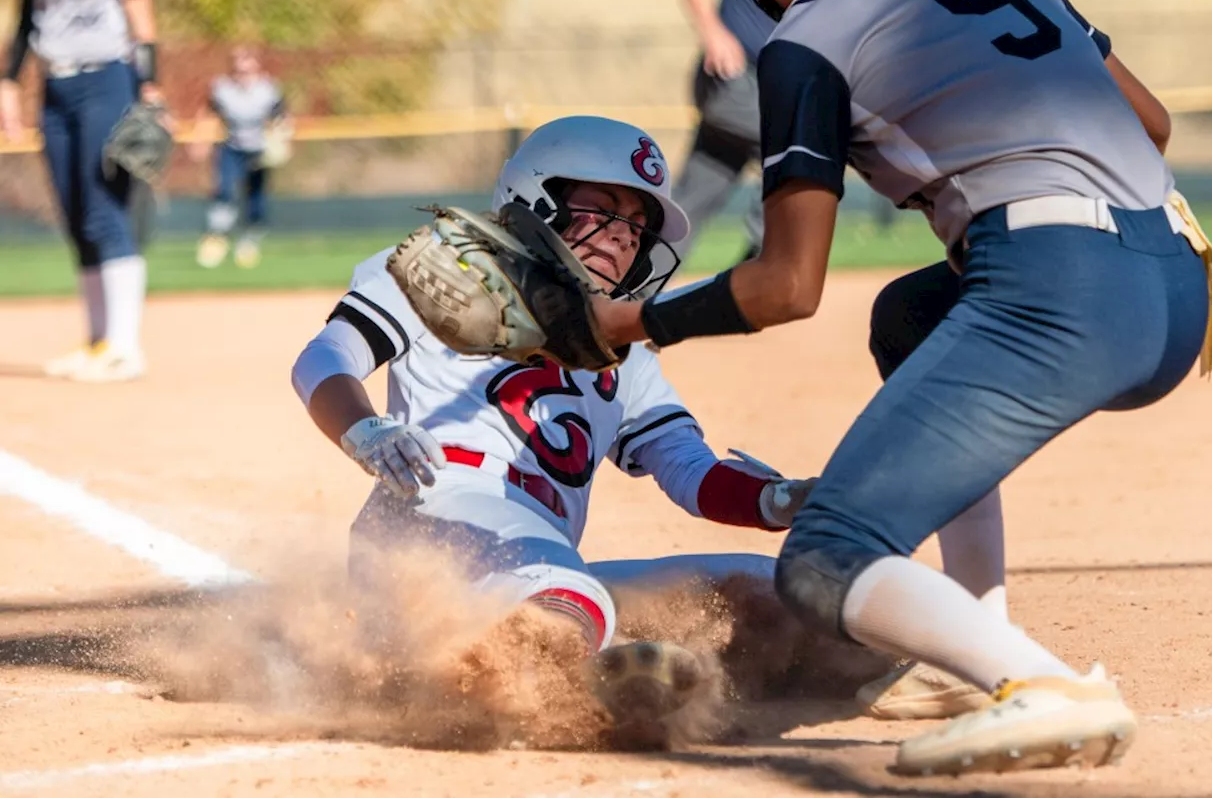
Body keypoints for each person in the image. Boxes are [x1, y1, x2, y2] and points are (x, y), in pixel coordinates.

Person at [587, 0, 1212, 776]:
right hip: (1173, 282)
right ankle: (978, 642)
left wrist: (637, 322)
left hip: (1066, 295)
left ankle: (1039, 685)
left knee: (826, 557)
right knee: (909, 316)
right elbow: (1151, 125)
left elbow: (785, 286)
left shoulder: (805, 39)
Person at [289, 116, 818, 725]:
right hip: (429, 527)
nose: (624, 236)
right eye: (606, 210)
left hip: (529, 558)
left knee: (776, 587)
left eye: (639, 227)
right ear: (538, 196)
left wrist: (780, 500)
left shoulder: (628, 349)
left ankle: (878, 669)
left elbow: (690, 471)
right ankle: (551, 701)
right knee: (565, 589)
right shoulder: (444, 271)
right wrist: (366, 430)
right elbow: (324, 357)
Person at [0, 0, 165, 383]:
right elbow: (26, 20)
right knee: (74, 215)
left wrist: (150, 85)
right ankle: (97, 342)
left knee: (103, 207)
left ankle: (125, 345)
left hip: (107, 79)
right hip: (56, 86)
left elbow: (140, 16)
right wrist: (7, 82)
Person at [668, 0, 777, 262]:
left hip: (770, 88)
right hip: (731, 79)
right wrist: (712, 30)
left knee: (691, 200)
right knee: (799, 148)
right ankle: (762, 270)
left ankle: (626, 294)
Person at [191, 46, 288, 270]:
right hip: (231, 146)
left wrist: (281, 140)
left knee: (256, 198)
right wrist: (200, 140)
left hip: (259, 149)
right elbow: (208, 114)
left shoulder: (268, 90)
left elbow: (281, 118)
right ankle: (217, 237)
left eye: (248, 70)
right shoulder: (222, 89)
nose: (243, 76)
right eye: (239, 71)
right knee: (224, 191)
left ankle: (249, 242)